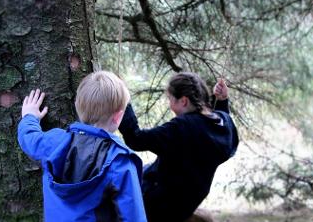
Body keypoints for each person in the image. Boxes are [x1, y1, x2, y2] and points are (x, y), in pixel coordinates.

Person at [17, 71, 147, 222]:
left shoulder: (54, 142)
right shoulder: (119, 162)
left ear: (77, 105)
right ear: (118, 116)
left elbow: (29, 139)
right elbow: (133, 216)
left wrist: (29, 116)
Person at [119, 72, 239, 222]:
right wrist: (222, 101)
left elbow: (136, 139)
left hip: (157, 206)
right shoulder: (223, 124)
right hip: (186, 204)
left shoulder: (182, 127)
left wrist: (124, 102)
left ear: (183, 101)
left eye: (170, 99)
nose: (170, 105)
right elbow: (218, 122)